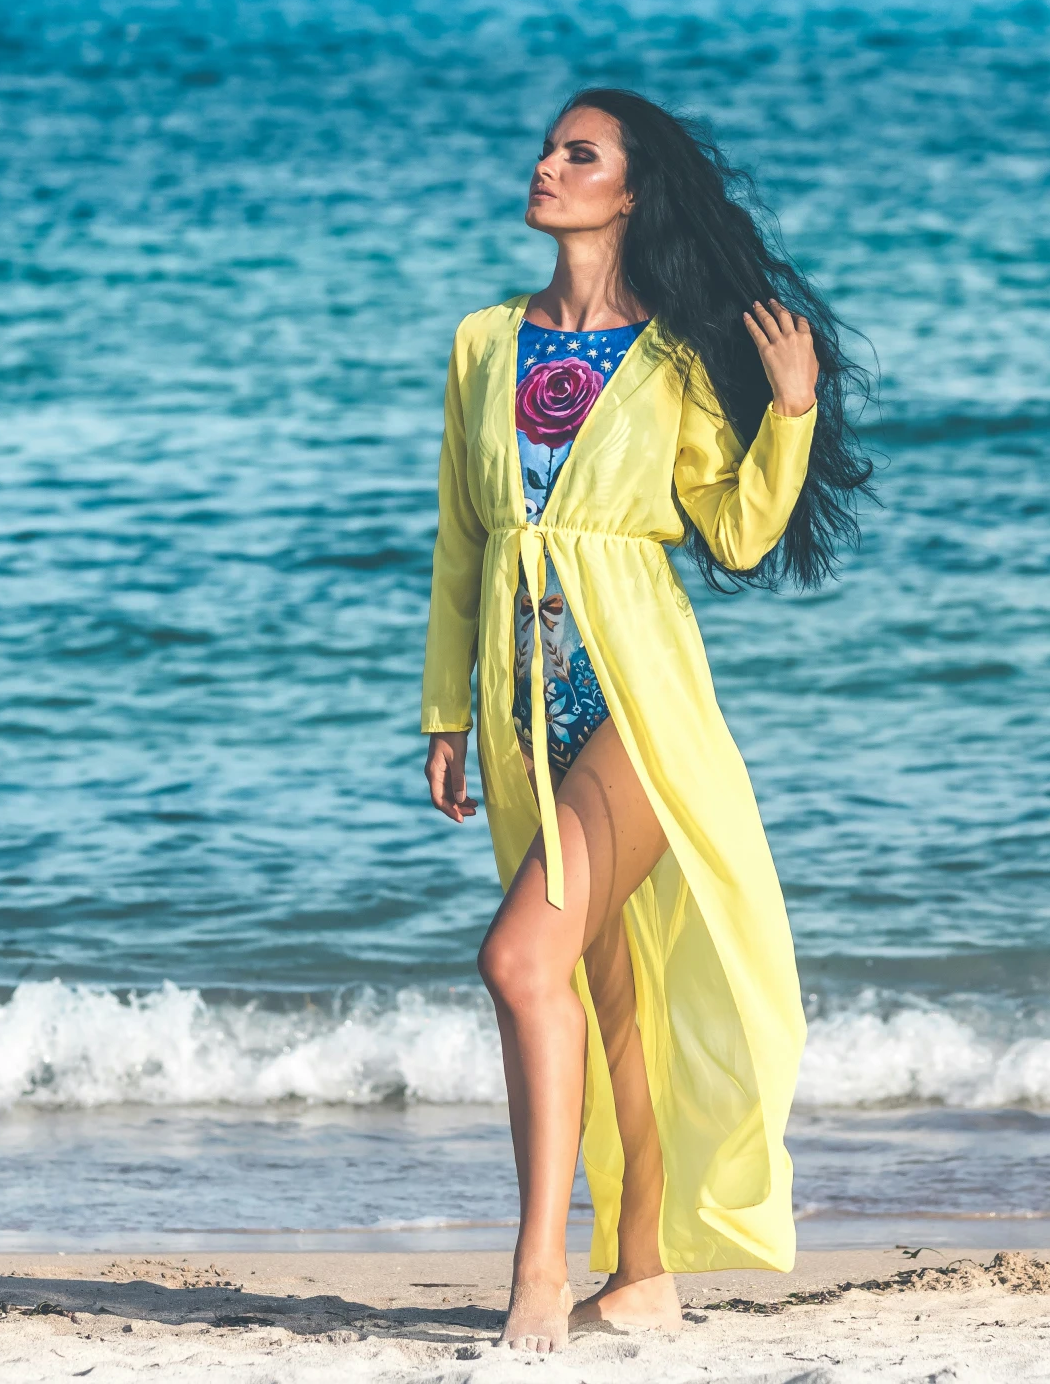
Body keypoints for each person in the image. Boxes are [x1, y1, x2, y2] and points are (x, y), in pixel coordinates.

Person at [420, 88, 872, 1353]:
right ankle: (645, 1273)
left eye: (581, 154)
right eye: (548, 148)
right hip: (521, 708)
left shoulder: (671, 357)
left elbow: (732, 528)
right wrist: (445, 705)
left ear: (630, 191)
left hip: (638, 705)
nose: (546, 166)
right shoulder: (482, 342)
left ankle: (536, 1275)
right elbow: (463, 535)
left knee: (517, 962)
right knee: (604, 986)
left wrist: (788, 410)